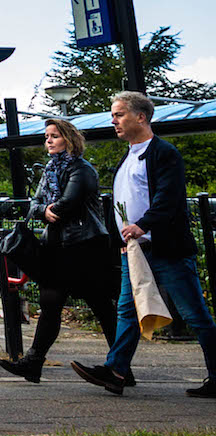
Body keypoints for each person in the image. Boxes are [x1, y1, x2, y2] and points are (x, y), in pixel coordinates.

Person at [71, 91, 216, 397]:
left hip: (166, 250)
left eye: (119, 114)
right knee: (127, 310)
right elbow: (120, 202)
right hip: (135, 250)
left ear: (141, 116)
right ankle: (116, 371)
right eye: (113, 115)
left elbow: (169, 197)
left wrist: (142, 226)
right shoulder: (128, 155)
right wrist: (123, 240)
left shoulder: (164, 153)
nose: (114, 121)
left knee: (194, 314)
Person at [0, 118, 119, 382]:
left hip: (85, 245)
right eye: (46, 136)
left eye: (54, 136)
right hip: (57, 246)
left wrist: (51, 209)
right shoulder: (50, 169)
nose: (49, 141)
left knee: (101, 306)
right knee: (51, 301)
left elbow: (70, 201)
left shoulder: (82, 169)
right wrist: (43, 210)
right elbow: (36, 203)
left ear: (69, 139)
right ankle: (33, 362)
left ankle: (120, 365)